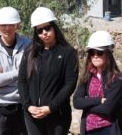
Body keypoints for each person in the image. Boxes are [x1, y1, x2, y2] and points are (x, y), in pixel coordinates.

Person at [18, 7, 78, 135]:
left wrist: (50, 108)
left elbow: (70, 84)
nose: (44, 33)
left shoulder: (67, 52)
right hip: (32, 115)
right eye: (40, 30)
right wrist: (27, 105)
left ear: (54, 27)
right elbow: (22, 80)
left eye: (47, 28)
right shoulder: (30, 52)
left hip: (57, 115)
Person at [0, 7, 31, 135]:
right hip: (0, 105)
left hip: (24, 102)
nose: (7, 28)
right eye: (3, 25)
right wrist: (21, 72)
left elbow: (33, 74)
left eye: (11, 25)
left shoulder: (29, 46)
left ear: (17, 25)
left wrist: (4, 76)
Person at [73, 31, 122, 135]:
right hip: (88, 129)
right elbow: (76, 102)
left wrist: (86, 103)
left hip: (108, 129)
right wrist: (99, 100)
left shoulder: (117, 79)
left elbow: (107, 108)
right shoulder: (87, 76)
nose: (95, 56)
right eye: (92, 52)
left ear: (108, 53)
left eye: (99, 52)